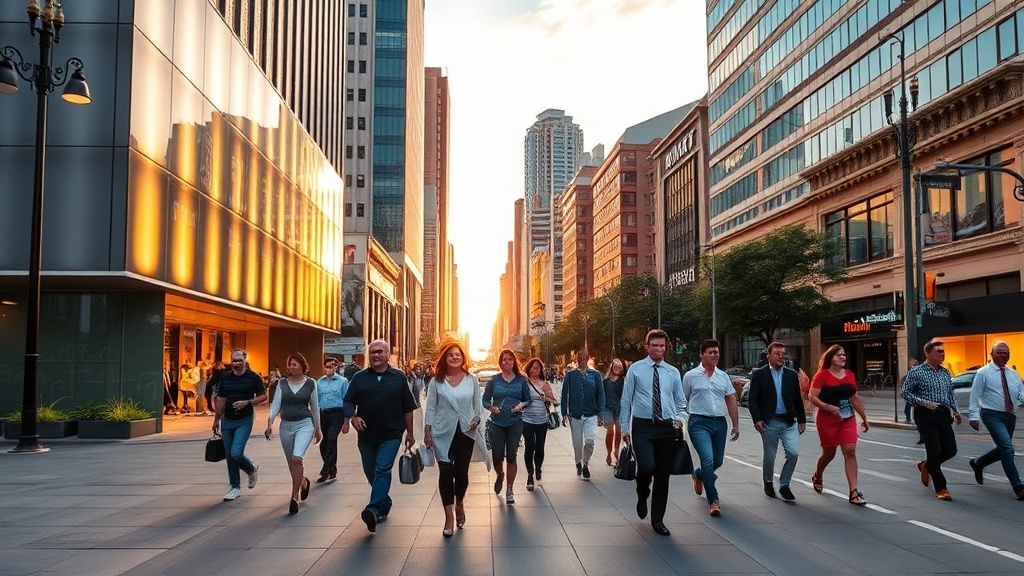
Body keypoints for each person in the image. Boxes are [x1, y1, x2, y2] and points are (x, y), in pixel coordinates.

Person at [343, 339, 418, 532]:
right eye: (372, 352)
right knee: (371, 472)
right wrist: (353, 416)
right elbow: (348, 401)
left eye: (379, 352)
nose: (376, 355)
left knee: (382, 469)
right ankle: (384, 502)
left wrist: (410, 433)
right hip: (366, 436)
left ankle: (373, 510)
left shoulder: (399, 377)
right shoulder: (360, 378)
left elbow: (408, 408)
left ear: (387, 354)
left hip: (391, 434)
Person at [620, 329, 686, 536]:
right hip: (643, 427)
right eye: (654, 345)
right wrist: (624, 427)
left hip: (666, 427)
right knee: (647, 466)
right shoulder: (636, 369)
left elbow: (680, 401)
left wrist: (679, 419)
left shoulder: (672, 372)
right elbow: (626, 399)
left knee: (663, 475)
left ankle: (658, 520)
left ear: (666, 348)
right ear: (647, 347)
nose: (658, 349)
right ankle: (642, 493)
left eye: (662, 346)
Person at [423, 341, 487, 537]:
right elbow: (431, 406)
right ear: (445, 358)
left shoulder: (471, 379)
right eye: (450, 354)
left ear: (463, 358)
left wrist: (477, 419)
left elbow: (477, 404)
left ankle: (459, 502)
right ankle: (449, 516)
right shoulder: (437, 381)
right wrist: (427, 431)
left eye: (457, 354)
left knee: (461, 472)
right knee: (445, 471)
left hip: (466, 430)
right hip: (442, 431)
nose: (454, 357)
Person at [682, 339, 740, 517]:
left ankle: (699, 475)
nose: (715, 355)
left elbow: (730, 399)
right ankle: (713, 500)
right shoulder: (690, 376)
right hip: (699, 422)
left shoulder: (723, 376)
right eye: (711, 352)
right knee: (707, 460)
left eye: (717, 352)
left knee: (717, 461)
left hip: (720, 423)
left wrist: (735, 424)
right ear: (702, 354)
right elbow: (683, 399)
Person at [807, 345, 869, 506]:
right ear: (831, 358)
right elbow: (812, 396)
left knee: (850, 451)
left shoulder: (849, 375)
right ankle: (818, 474)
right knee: (829, 453)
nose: (843, 357)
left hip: (847, 418)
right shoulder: (822, 375)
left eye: (844, 355)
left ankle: (854, 492)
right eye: (839, 355)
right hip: (826, 419)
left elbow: (854, 398)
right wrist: (828, 407)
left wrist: (863, 417)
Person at [902, 339, 961, 501]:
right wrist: (923, 403)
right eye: (939, 351)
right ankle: (941, 487)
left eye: (943, 351)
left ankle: (926, 465)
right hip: (925, 414)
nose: (943, 354)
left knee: (950, 449)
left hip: (943, 414)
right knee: (934, 450)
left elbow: (950, 394)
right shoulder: (917, 372)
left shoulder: (945, 372)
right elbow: (905, 392)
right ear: (928, 354)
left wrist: (956, 410)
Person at [265, 352, 323, 515]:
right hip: (286, 426)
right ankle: (303, 482)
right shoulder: (282, 383)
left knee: (297, 458)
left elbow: (315, 406)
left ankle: (294, 496)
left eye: (295, 364)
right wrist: (269, 423)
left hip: (305, 424)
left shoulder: (311, 383)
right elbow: (275, 405)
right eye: (290, 364)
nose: (292, 367)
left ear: (302, 366)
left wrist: (318, 429)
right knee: (292, 462)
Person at [747, 341, 806, 501]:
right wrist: (757, 419)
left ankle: (784, 485)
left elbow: (797, 399)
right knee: (770, 456)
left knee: (793, 453)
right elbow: (752, 399)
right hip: (768, 422)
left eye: (783, 353)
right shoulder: (759, 374)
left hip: (789, 422)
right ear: (769, 356)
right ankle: (768, 481)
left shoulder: (791, 375)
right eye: (777, 353)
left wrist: (802, 420)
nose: (781, 356)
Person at [967, 342, 1024, 499]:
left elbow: (1020, 392)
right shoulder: (983, 373)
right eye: (1000, 352)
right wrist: (973, 416)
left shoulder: (1013, 374)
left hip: (1009, 416)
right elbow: (975, 395)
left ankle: (978, 463)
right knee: (1007, 448)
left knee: (1002, 449)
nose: (1004, 355)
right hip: (991, 414)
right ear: (991, 354)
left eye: (1006, 352)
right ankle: (1018, 486)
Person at [212, 349, 267, 501]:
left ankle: (251, 468)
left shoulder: (253, 377)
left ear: (245, 360)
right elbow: (221, 400)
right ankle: (235, 487)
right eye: (233, 360)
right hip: (227, 420)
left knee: (236, 452)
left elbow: (264, 397)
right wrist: (216, 419)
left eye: (239, 360)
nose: (236, 363)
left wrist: (247, 402)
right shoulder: (225, 378)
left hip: (244, 419)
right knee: (230, 455)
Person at [482, 349, 531, 504]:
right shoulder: (494, 381)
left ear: (513, 361)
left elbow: (528, 400)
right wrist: (491, 408)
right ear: (500, 362)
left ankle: (510, 489)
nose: (507, 362)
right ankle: (500, 475)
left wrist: (521, 406)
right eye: (504, 359)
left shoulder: (521, 380)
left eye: (510, 359)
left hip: (515, 421)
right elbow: (485, 400)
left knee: (511, 455)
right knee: (497, 456)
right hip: (496, 423)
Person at [561, 347, 605, 480]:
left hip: (591, 413)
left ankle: (585, 463)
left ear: (588, 358)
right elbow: (564, 395)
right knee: (577, 444)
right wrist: (564, 413)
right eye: (579, 358)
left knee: (590, 441)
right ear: (576, 359)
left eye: (584, 358)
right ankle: (578, 462)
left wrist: (600, 412)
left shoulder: (595, 375)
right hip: (576, 414)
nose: (582, 360)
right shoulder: (570, 374)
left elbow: (601, 394)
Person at [521, 357, 556, 491]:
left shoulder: (544, 384)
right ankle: (530, 474)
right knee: (530, 446)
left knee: (540, 446)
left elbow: (554, 400)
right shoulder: (525, 383)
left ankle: (538, 470)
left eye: (538, 367)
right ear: (529, 368)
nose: (536, 369)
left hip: (542, 420)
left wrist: (545, 397)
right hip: (527, 419)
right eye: (533, 367)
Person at [316, 357, 349, 482]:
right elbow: (316, 400)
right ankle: (332, 467)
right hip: (323, 413)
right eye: (327, 366)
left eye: (332, 366)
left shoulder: (342, 381)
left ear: (336, 367)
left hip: (337, 413)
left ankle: (325, 469)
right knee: (324, 442)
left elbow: (346, 400)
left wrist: (347, 420)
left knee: (331, 438)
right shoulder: (319, 382)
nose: (329, 369)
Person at [602, 358, 626, 467]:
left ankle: (616, 452)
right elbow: (601, 396)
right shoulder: (606, 381)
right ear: (612, 367)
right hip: (607, 408)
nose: (617, 368)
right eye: (615, 366)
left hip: (620, 408)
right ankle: (608, 453)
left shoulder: (624, 381)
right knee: (610, 431)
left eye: (620, 366)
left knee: (619, 431)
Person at [903, 358, 919, 423]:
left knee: (909, 406)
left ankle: (909, 418)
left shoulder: (913, 372)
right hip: (914, 392)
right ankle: (909, 418)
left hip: (913, 392)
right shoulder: (917, 372)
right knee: (911, 406)